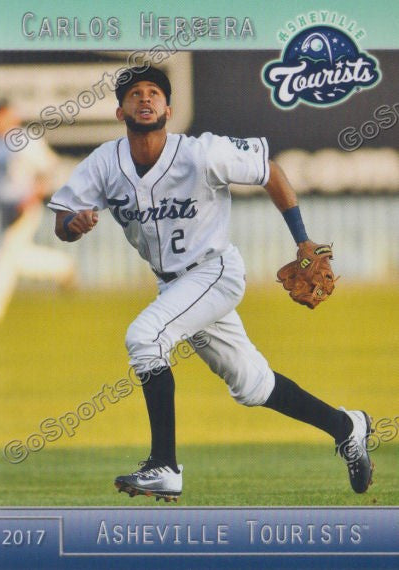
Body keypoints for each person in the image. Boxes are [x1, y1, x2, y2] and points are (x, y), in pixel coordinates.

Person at [49, 66, 373, 502]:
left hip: (215, 271)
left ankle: (164, 465)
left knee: (146, 337)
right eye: (134, 94)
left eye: (154, 93)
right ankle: (347, 426)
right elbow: (61, 222)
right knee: (253, 385)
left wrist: (303, 240)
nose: (145, 99)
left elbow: (270, 171)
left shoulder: (202, 153)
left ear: (168, 107)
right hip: (173, 287)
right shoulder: (105, 164)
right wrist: (75, 223)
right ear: (119, 110)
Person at [0, 99, 76, 326]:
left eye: (4, 117)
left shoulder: (26, 142)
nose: (0, 122)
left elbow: (51, 170)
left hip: (24, 207)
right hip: (4, 208)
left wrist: (33, 195)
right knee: (14, 256)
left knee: (4, 256)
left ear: (13, 118)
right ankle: (62, 266)